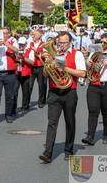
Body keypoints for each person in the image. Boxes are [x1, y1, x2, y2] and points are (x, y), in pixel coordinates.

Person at [39, 32, 86, 163]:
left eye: (64, 43)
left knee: (70, 121)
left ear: (70, 42)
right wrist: (47, 63)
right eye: (59, 42)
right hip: (54, 92)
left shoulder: (77, 54)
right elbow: (45, 75)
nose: (61, 45)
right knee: (52, 122)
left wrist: (64, 68)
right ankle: (47, 153)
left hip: (69, 92)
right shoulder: (53, 54)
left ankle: (69, 149)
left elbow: (82, 73)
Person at [82, 33, 107, 146]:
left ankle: (106, 134)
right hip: (94, 85)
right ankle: (90, 136)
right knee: (93, 111)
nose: (103, 44)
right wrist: (88, 62)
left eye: (105, 42)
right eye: (102, 42)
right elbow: (87, 69)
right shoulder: (94, 54)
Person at [12, 37, 34, 114]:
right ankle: (13, 108)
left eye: (23, 44)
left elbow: (32, 62)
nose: (21, 46)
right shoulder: (16, 50)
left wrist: (23, 58)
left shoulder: (30, 51)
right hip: (17, 72)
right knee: (14, 91)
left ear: (25, 44)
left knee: (25, 92)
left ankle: (25, 106)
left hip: (26, 73)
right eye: (20, 44)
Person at [29, 29, 47, 108]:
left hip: (41, 66)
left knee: (41, 85)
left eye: (35, 35)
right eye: (32, 35)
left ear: (39, 36)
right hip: (32, 67)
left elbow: (46, 55)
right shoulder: (30, 43)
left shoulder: (44, 44)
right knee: (29, 85)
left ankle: (41, 101)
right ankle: (26, 102)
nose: (33, 36)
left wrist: (37, 51)